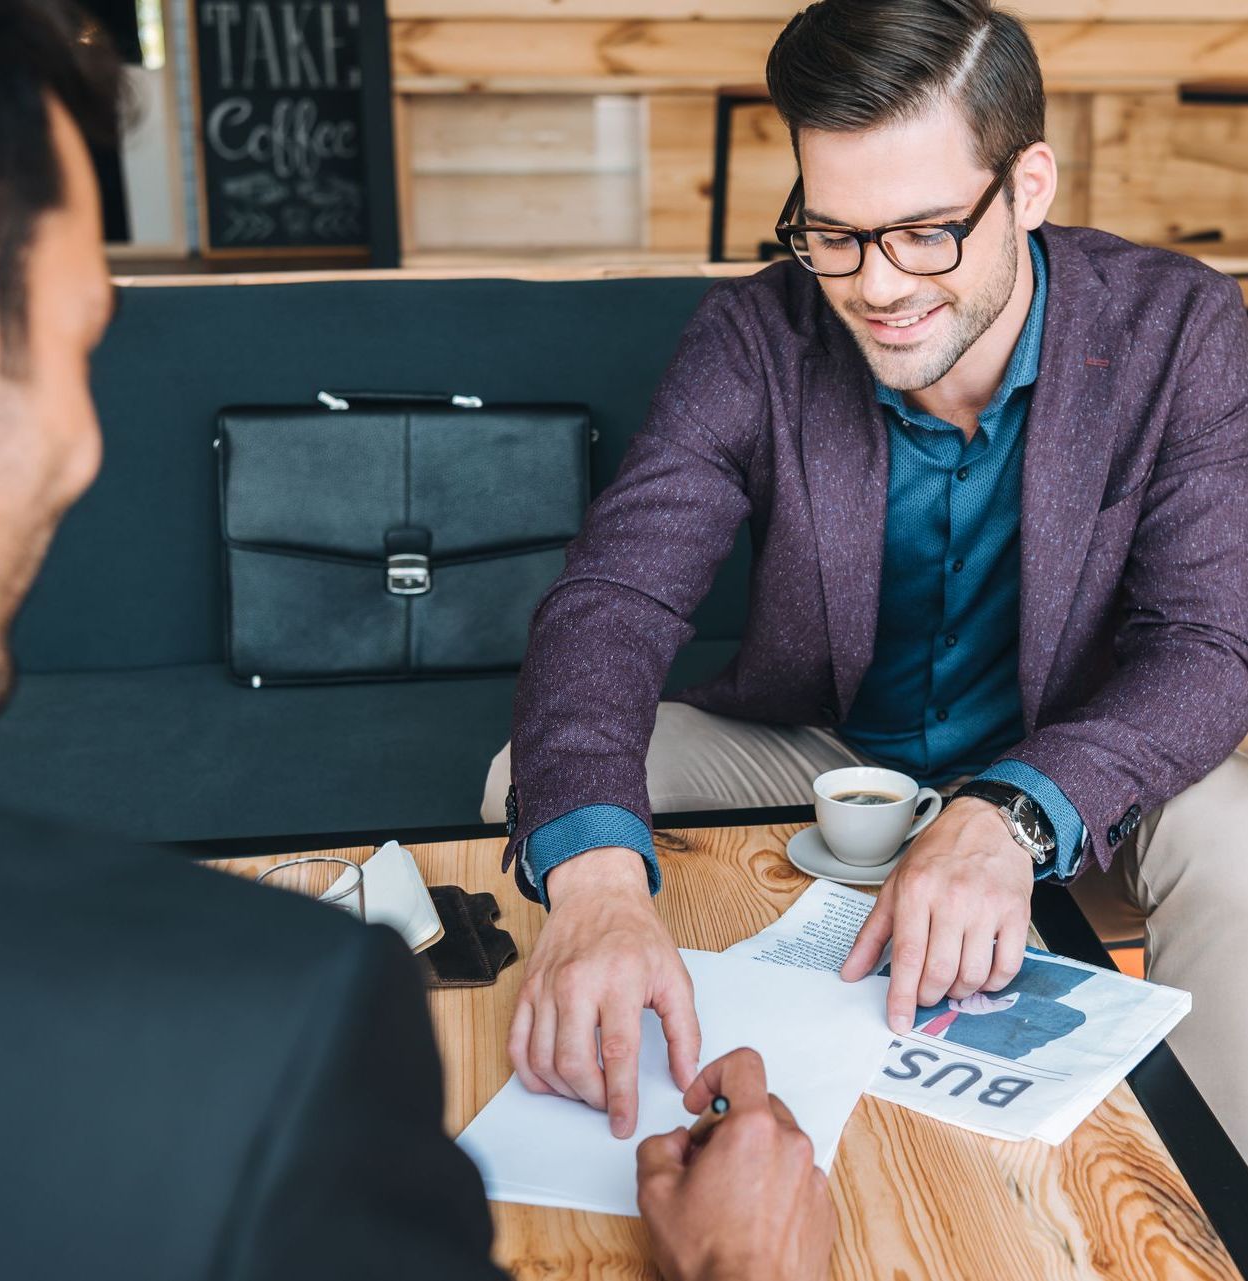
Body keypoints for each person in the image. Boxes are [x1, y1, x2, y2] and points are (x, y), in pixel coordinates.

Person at [0, 4, 834, 1279]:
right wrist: (748, 1269)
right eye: (77, 342)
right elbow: (613, 597)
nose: (89, 445)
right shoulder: (267, 1043)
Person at [485, 0, 1248, 1159]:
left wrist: (1012, 811)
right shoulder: (755, 334)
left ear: (1028, 188)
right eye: (834, 233)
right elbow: (615, 600)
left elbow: (1209, 646)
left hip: (1081, 757)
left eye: (925, 231)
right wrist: (594, 891)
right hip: (839, 754)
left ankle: (1207, 1197)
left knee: (1239, 841)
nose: (877, 286)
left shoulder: (1179, 329)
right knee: (532, 790)